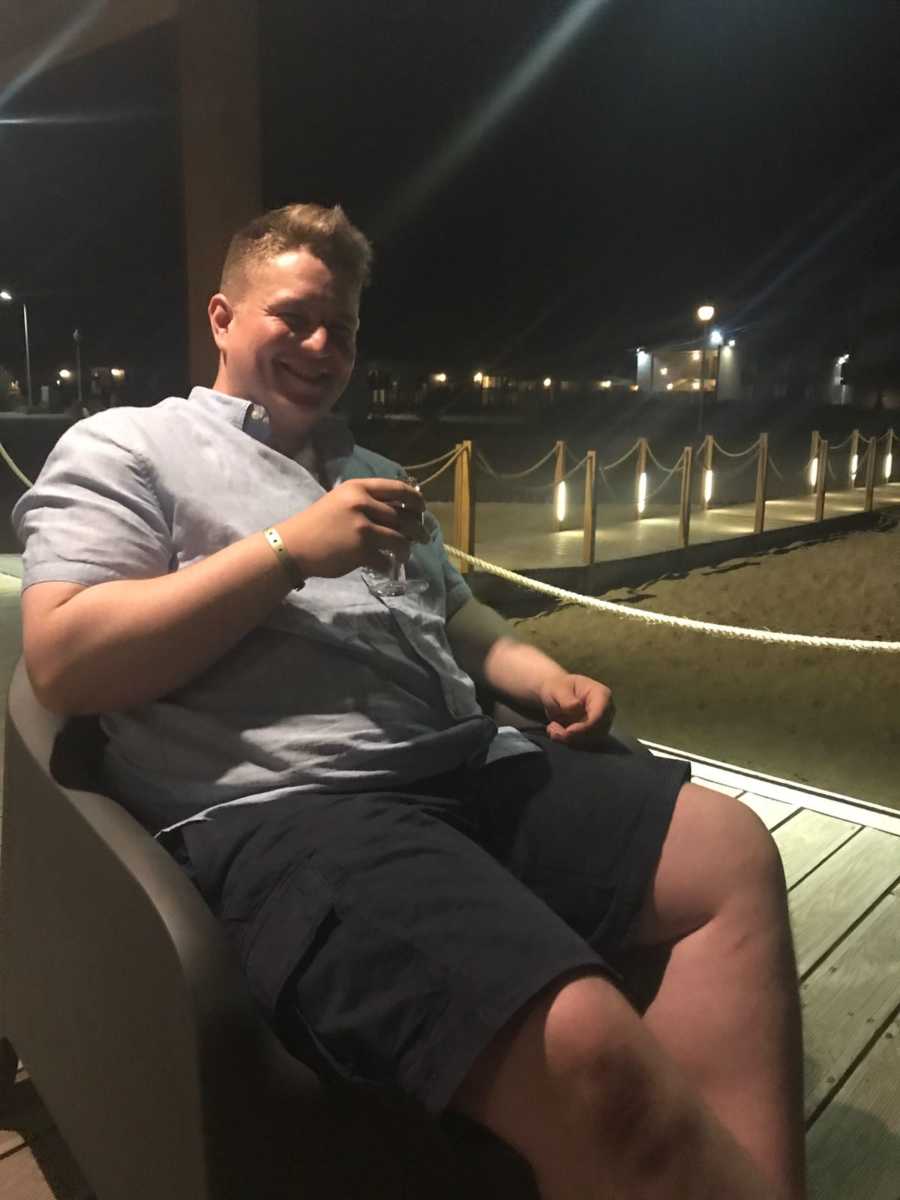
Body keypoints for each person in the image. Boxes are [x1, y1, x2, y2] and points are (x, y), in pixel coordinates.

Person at [12, 203, 806, 1200]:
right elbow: (64, 660)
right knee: (590, 1053)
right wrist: (288, 551)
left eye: (340, 327)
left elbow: (456, 615)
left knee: (729, 850)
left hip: (470, 769)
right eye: (293, 316)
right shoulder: (129, 447)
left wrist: (536, 672)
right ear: (222, 316)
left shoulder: (373, 472)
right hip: (299, 814)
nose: (320, 345)